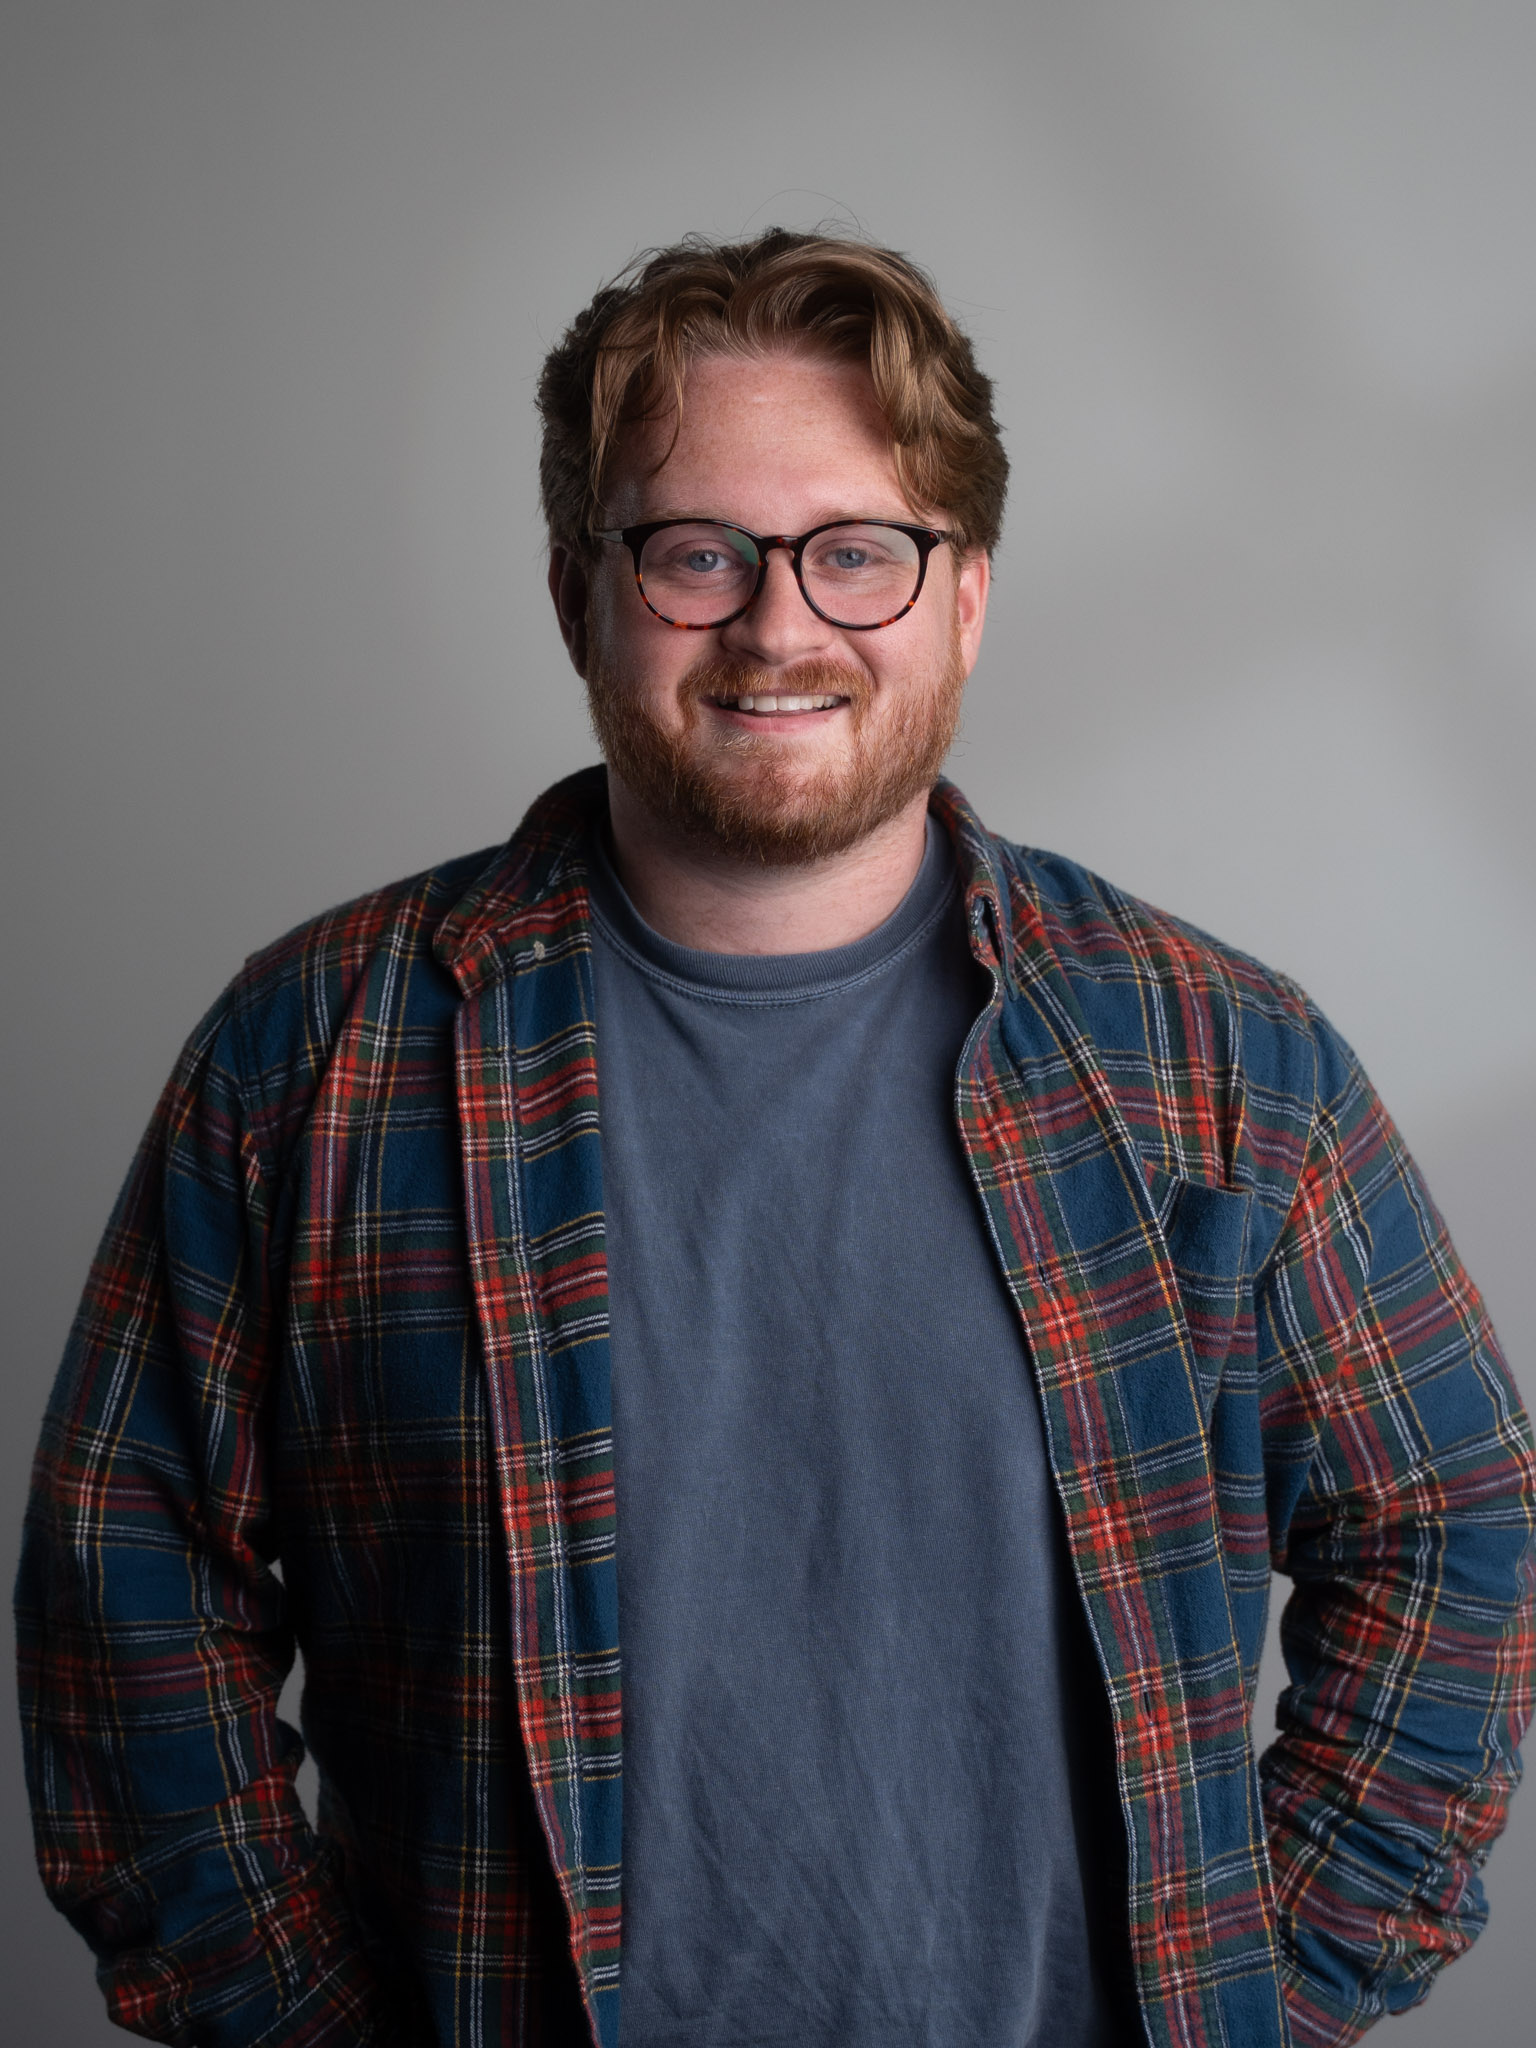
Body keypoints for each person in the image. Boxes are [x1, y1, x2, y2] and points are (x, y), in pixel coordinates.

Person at [15, 228, 1535, 2048]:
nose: (780, 626)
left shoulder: (1222, 1060)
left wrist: (1268, 1995)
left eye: (858, 552)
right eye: (697, 552)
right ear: (579, 596)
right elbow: (124, 1592)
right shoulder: (313, 1058)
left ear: (966, 598)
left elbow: (1453, 1522)